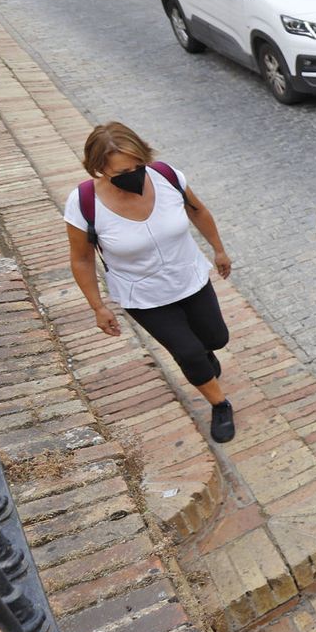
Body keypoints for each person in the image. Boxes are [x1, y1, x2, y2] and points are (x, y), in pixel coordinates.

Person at [65, 123, 236, 442]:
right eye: (122, 171)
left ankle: (205, 353)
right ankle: (219, 404)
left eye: (137, 166)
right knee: (188, 353)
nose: (134, 175)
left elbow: (197, 211)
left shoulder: (166, 176)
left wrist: (219, 249)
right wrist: (97, 306)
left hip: (190, 277)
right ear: (99, 168)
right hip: (143, 295)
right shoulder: (84, 203)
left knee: (216, 337)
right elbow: (82, 259)